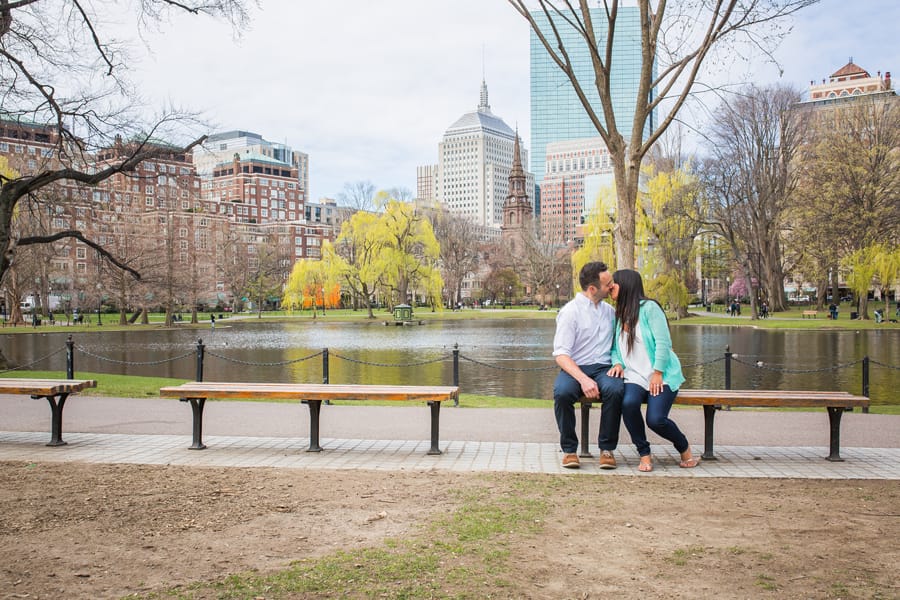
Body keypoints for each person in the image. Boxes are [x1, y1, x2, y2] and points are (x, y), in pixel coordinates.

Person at [607, 269, 699, 473]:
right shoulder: (619, 315)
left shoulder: (649, 309)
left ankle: (684, 447)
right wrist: (618, 363)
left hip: (661, 375)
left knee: (656, 420)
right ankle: (644, 453)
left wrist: (657, 372)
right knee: (629, 404)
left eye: (614, 284)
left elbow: (663, 343)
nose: (610, 288)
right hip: (634, 376)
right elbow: (615, 349)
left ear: (627, 285)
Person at [552, 261, 624, 469]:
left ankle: (607, 449)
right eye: (608, 283)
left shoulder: (609, 312)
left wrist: (618, 362)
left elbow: (618, 345)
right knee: (562, 392)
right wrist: (583, 379)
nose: (612, 286)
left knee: (616, 389)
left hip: (604, 367)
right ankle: (569, 450)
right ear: (592, 289)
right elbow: (561, 354)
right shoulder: (570, 313)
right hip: (576, 367)